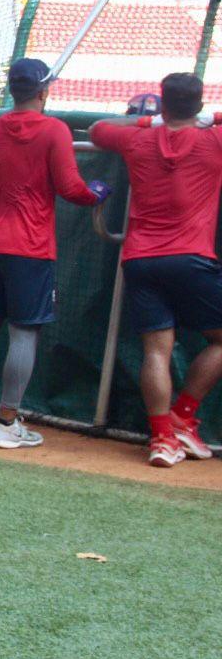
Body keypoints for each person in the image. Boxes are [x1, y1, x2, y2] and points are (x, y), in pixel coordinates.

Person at [0, 58, 107, 450]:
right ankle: (6, 423)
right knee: (23, 333)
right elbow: (72, 187)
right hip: (30, 249)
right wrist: (98, 194)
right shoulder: (54, 130)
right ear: (43, 91)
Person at [91, 72, 222, 467]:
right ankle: (182, 417)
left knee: (155, 351)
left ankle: (163, 438)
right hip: (191, 259)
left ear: (163, 103)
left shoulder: (138, 136)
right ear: (197, 105)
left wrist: (150, 121)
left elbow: (98, 129)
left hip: (140, 260)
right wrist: (212, 119)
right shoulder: (213, 139)